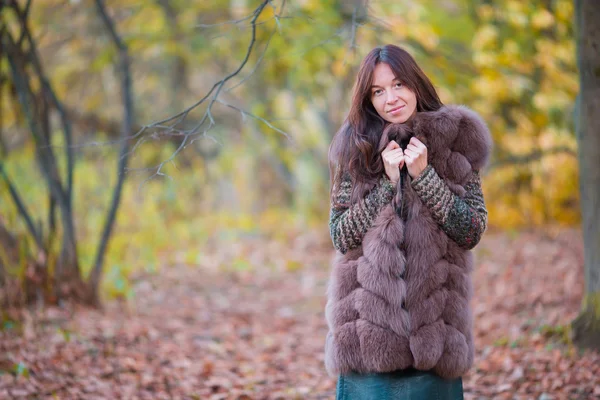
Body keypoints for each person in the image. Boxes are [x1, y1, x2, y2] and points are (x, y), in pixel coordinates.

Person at [324, 44, 493, 399]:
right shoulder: (355, 149)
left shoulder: (456, 140)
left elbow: (472, 230)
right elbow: (341, 235)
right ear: (368, 99)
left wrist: (425, 176)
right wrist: (387, 184)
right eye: (378, 91)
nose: (391, 99)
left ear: (416, 83)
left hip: (436, 338)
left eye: (398, 84)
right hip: (367, 342)